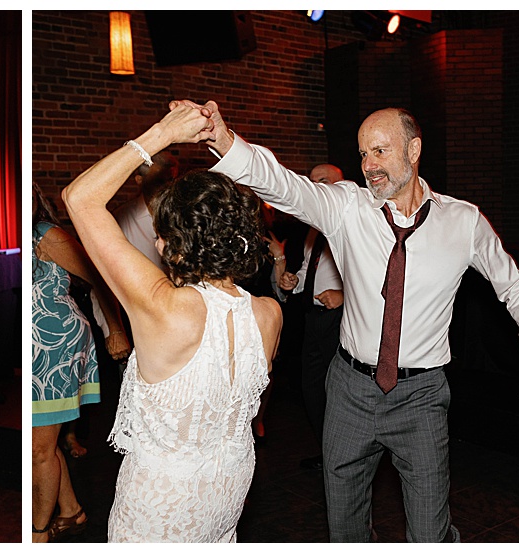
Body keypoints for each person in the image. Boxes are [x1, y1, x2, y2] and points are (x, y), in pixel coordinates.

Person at [192, 100, 519, 542]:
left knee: (429, 532)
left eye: (381, 152)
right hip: (349, 391)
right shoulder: (347, 208)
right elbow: (284, 186)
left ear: (414, 149)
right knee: (344, 527)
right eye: (364, 154)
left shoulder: (462, 221)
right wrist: (225, 141)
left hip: (421, 397)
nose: (369, 166)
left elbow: (512, 284)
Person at [62, 104, 283, 542]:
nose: (157, 242)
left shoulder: (165, 307)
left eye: (162, 234)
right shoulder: (268, 314)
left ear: (174, 245)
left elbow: (79, 198)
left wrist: (161, 134)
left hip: (161, 502)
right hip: (230, 489)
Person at [27, 202, 129, 542]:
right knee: (42, 441)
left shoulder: (45, 234)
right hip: (33, 345)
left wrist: (114, 327)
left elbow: (99, 275)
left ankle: (36, 533)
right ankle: (71, 511)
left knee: (39, 448)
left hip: (55, 345)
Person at [289, 163, 348, 471]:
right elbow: (307, 269)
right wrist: (294, 281)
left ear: (343, 183)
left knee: (339, 392)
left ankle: (345, 459)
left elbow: (378, 274)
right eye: (312, 183)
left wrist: (345, 296)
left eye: (323, 181)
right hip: (315, 317)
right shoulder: (315, 224)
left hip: (342, 318)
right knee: (313, 388)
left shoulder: (352, 220)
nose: (316, 187)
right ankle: (330, 454)